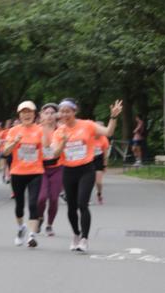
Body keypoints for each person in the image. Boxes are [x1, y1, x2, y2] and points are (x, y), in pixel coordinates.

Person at [52, 98, 122, 253]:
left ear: (74, 112)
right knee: (71, 207)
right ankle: (76, 235)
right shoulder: (58, 132)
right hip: (68, 171)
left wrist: (114, 117)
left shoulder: (87, 125)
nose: (64, 114)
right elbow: (55, 154)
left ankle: (84, 238)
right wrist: (63, 142)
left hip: (86, 170)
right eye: (62, 111)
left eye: (68, 111)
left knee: (82, 203)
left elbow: (108, 132)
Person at [1, 101, 49, 247]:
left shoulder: (40, 129)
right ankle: (21, 228)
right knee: (19, 205)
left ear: (34, 115)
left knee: (33, 203)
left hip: (35, 171)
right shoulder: (14, 131)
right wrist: (15, 142)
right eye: (23, 112)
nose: (26, 115)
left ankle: (32, 235)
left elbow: (47, 148)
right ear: (19, 115)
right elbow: (5, 152)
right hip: (17, 172)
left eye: (29, 112)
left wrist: (46, 128)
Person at [37, 102, 63, 236]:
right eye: (46, 113)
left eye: (52, 113)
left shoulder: (61, 129)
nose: (49, 116)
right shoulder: (36, 129)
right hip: (41, 169)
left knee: (53, 198)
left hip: (58, 167)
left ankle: (49, 225)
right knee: (41, 198)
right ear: (41, 115)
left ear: (57, 115)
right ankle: (40, 217)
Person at [93, 131, 110, 204]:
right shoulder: (89, 137)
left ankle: (99, 193)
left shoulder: (104, 139)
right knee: (88, 181)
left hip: (99, 159)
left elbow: (105, 154)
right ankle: (85, 198)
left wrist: (105, 165)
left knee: (98, 182)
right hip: (89, 159)